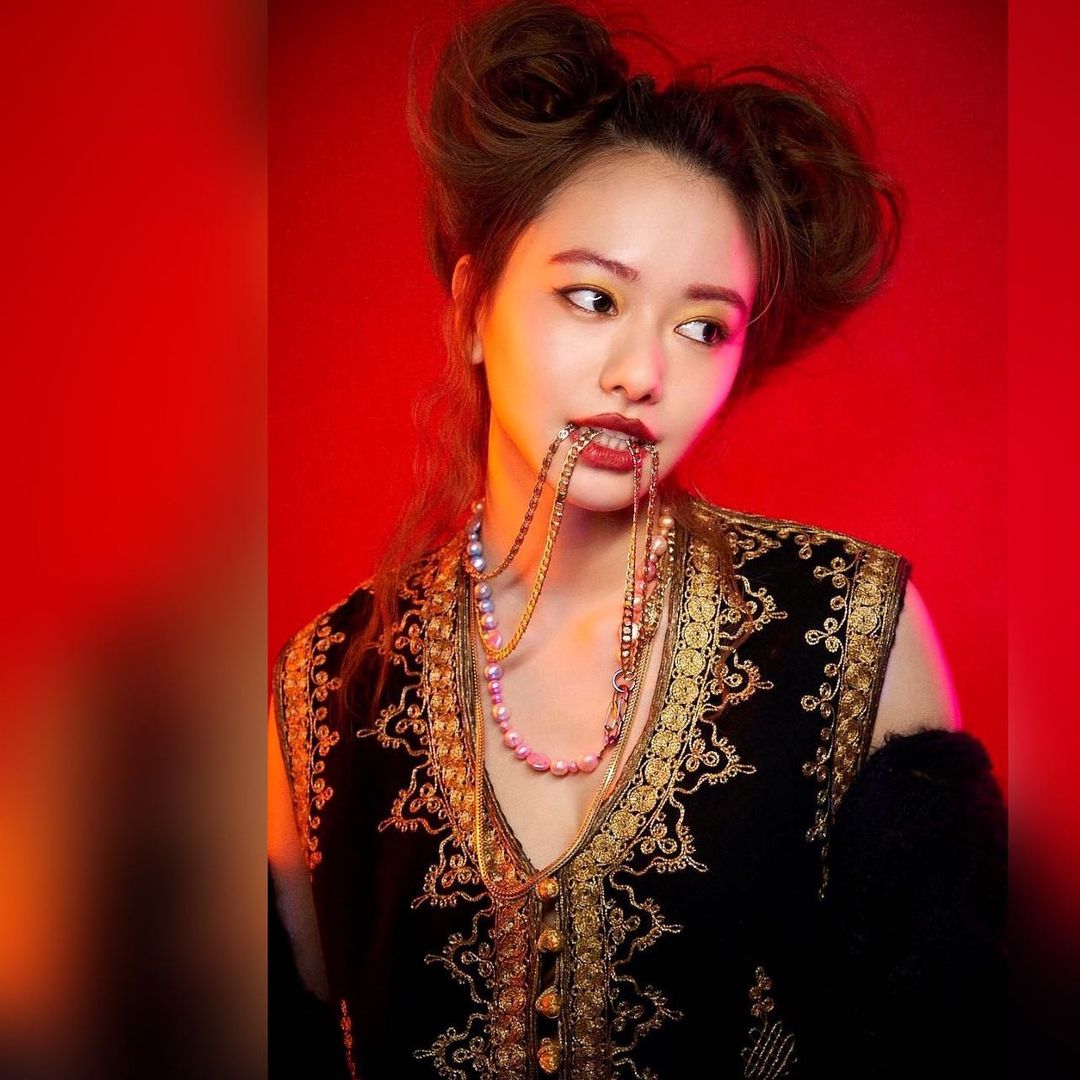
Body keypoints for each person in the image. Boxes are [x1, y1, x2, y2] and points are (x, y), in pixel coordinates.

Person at [268, 2, 1006, 1077]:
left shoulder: (849, 629)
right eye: (592, 297)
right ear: (473, 307)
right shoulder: (326, 688)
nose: (643, 373)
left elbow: (951, 1041)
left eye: (703, 326)